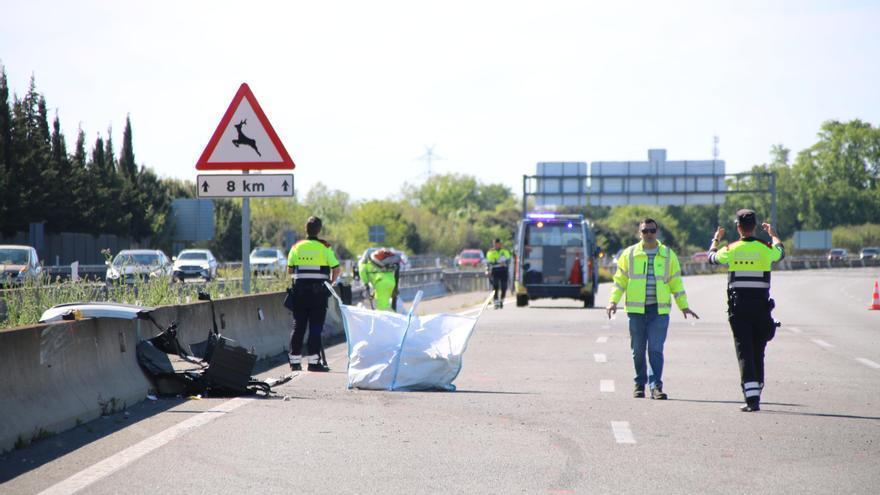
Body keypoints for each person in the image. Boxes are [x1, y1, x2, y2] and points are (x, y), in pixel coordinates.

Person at [606, 218, 699, 400]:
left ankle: (656, 385)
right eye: (645, 231)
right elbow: (619, 281)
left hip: (659, 311)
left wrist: (684, 306)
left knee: (655, 349)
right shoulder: (629, 254)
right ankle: (639, 383)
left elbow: (676, 282)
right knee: (638, 350)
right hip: (636, 311)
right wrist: (612, 301)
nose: (648, 234)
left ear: (657, 232)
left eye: (652, 230)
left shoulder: (667, 254)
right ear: (639, 233)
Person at [708, 209, 784, 412]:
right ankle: (756, 390)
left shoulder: (731, 248)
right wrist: (774, 234)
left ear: (738, 227)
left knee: (744, 351)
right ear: (755, 226)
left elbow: (711, 258)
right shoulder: (765, 248)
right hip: (761, 308)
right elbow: (781, 253)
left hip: (739, 308)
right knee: (758, 351)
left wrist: (716, 239)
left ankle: (752, 399)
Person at [287, 216, 341, 372]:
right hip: (318, 294)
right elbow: (336, 269)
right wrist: (330, 283)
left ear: (306, 229)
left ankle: (295, 362)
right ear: (319, 230)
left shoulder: (296, 246)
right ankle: (314, 363)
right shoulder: (324, 247)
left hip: (300, 293)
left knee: (298, 327)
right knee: (316, 327)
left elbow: (290, 269)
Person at [486, 238, 512, 309]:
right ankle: (496, 301)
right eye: (496, 244)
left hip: (503, 270)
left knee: (504, 287)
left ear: (501, 244)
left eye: (499, 244)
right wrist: (488, 270)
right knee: (495, 286)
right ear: (494, 244)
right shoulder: (491, 252)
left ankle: (502, 300)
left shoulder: (505, 251)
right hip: (495, 271)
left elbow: (509, 260)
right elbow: (488, 262)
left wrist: (505, 262)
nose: (497, 245)